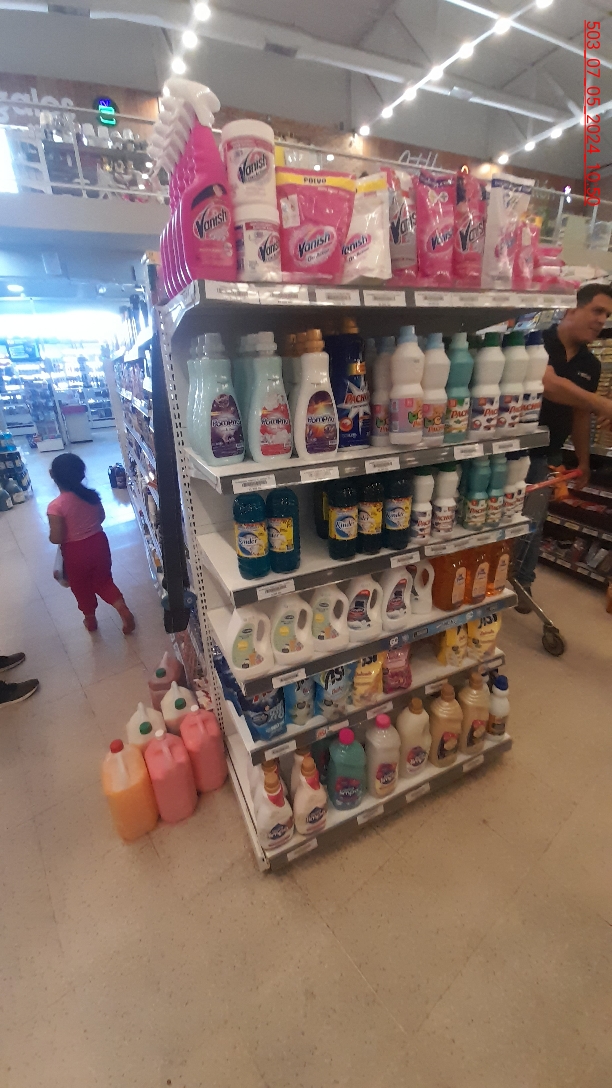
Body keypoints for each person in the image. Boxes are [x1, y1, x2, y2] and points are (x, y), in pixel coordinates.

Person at [515, 282, 612, 609]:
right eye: (597, 311)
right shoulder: (537, 340)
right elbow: (548, 383)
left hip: (545, 455)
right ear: (572, 308)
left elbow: (580, 415)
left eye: (607, 315)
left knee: (532, 524)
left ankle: (522, 583)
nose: (602, 320)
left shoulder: (591, 364)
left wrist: (583, 462)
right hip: (508, 451)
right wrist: (603, 404)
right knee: (493, 520)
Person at [47, 453, 135, 634]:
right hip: (99, 543)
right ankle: (122, 608)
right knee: (104, 580)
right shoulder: (92, 496)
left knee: (81, 587)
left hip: (75, 552)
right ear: (81, 474)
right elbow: (101, 517)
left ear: (52, 475)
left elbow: (57, 537)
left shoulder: (56, 506)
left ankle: (90, 619)